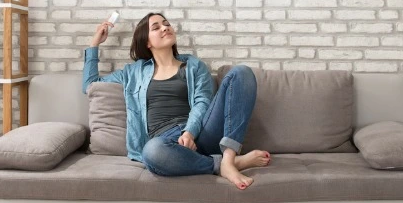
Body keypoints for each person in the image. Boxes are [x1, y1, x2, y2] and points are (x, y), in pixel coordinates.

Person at [82, 12, 270, 190]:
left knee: (241, 73)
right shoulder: (133, 73)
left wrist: (189, 132)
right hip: (166, 143)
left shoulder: (193, 65)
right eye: (156, 27)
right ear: (147, 42)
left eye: (166, 24)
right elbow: (90, 85)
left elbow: (202, 101)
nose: (165, 28)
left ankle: (229, 159)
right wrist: (95, 43)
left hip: (202, 133)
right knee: (152, 152)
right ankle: (223, 164)